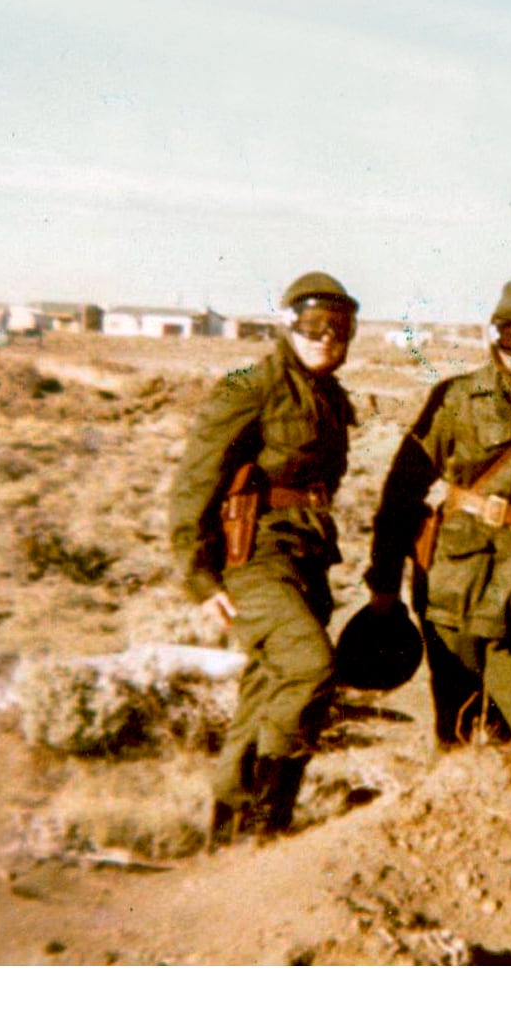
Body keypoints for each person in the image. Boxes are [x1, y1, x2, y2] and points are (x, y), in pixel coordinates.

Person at [364, 277, 511, 755]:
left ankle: (505, 811)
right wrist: (384, 580)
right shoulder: (455, 399)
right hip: (454, 577)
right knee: (453, 721)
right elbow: (402, 489)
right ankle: (453, 812)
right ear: (496, 336)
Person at [169, 272, 360, 846]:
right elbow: (196, 478)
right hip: (251, 557)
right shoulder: (249, 384)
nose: (326, 338)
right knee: (309, 667)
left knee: (265, 691)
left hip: (304, 557)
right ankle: (269, 816)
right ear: (289, 324)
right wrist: (199, 576)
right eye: (313, 325)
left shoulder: (329, 395)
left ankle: (229, 829)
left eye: (339, 327)